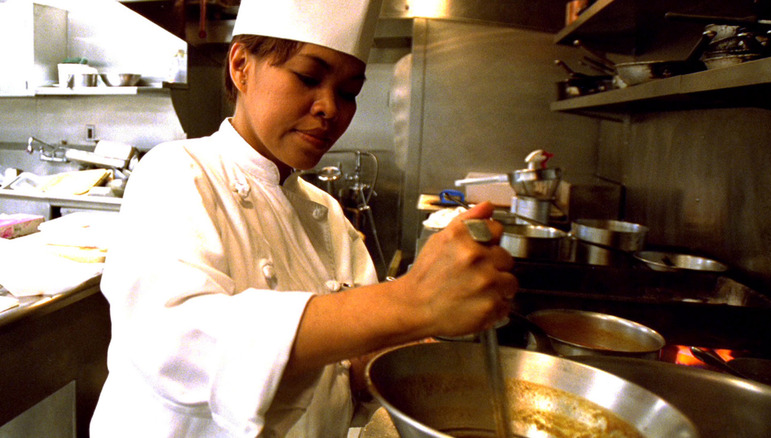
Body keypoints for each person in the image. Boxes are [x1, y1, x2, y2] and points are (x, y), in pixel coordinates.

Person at [89, 0, 518, 436]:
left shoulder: (329, 216)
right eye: (309, 77)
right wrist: (410, 302)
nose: (331, 108)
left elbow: (335, 389)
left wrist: (374, 361)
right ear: (241, 66)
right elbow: (174, 346)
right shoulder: (177, 171)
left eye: (349, 91)